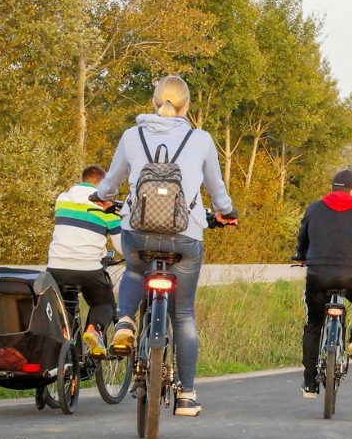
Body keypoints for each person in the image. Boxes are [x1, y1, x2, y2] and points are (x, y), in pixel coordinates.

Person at [94, 75, 237, 417]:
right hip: (185, 237)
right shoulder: (200, 139)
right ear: (186, 106)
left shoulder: (133, 135)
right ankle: (187, 395)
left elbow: (111, 180)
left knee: (133, 268)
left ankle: (126, 321)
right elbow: (216, 189)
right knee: (184, 314)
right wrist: (226, 212)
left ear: (154, 103)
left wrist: (103, 198)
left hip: (138, 232)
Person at [293, 169, 352, 399]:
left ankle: (309, 383)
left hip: (318, 276)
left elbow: (302, 238)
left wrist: (301, 257)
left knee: (314, 324)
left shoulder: (314, 209)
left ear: (333, 188)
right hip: (351, 276)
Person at [46, 164, 123, 356]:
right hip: (87, 268)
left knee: (64, 311)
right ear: (103, 183)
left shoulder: (62, 200)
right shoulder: (104, 206)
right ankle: (94, 331)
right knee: (104, 304)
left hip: (55, 267)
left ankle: (66, 348)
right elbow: (121, 246)